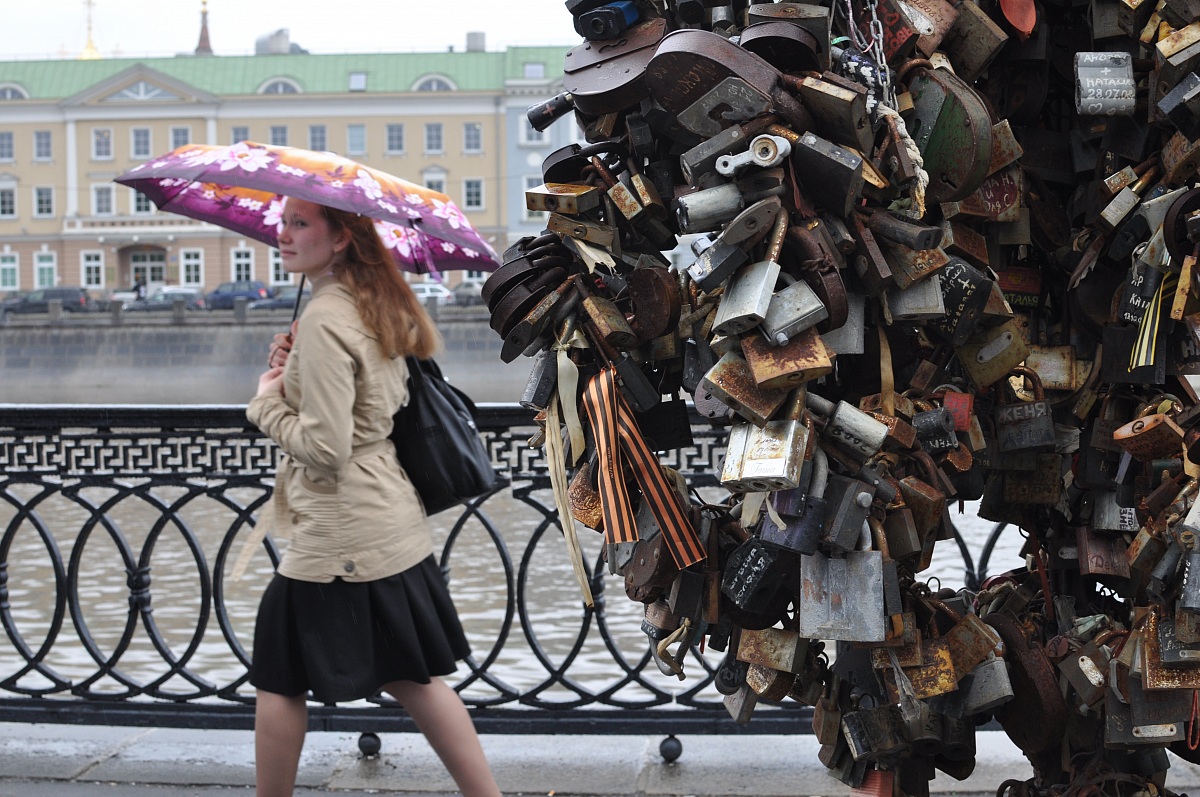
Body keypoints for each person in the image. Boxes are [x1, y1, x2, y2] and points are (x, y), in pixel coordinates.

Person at [247, 197, 501, 797]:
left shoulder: (329, 317)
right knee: (413, 675)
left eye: (299, 223)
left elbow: (327, 446)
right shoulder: (370, 302)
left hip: (341, 533)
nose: (282, 234)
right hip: (387, 517)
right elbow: (368, 412)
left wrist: (265, 404)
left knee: (280, 674)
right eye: (282, 222)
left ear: (339, 239)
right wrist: (295, 371)